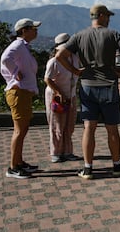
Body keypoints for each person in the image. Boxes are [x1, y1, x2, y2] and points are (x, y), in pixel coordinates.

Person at [56, 4, 120, 179]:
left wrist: (75, 70)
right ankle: (116, 166)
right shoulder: (113, 34)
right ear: (100, 16)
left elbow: (59, 56)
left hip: (87, 86)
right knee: (112, 129)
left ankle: (88, 169)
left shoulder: (79, 36)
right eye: (107, 16)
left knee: (88, 128)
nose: (109, 19)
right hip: (109, 86)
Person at [0, 18, 41, 179]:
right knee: (19, 130)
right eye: (33, 28)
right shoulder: (17, 46)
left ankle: (19, 162)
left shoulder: (23, 47)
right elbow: (5, 59)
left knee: (23, 129)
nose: (36, 31)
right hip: (19, 92)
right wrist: (15, 74)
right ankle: (12, 167)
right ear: (24, 30)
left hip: (23, 92)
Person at [44, 33, 80, 163]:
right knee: (57, 125)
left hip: (71, 95)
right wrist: (58, 92)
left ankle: (67, 151)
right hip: (56, 97)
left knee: (69, 124)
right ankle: (56, 152)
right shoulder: (54, 61)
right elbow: (47, 79)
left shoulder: (75, 58)